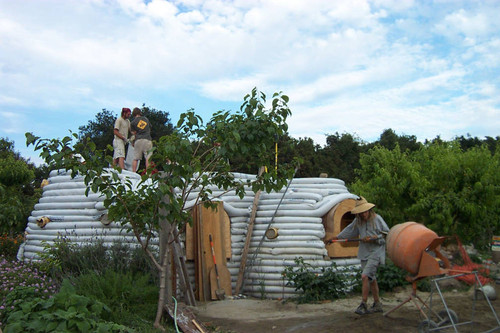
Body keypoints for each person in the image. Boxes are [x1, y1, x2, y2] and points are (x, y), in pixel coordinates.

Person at [326, 196, 389, 315]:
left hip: (376, 252)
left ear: (369, 210)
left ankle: (363, 304)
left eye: (365, 211)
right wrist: (336, 238)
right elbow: (350, 230)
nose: (364, 214)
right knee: (372, 278)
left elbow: (386, 234)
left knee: (365, 276)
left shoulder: (377, 219)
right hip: (364, 252)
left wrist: (374, 238)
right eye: (361, 212)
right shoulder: (358, 222)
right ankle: (377, 304)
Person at [130, 107, 152, 172]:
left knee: (135, 158)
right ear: (140, 113)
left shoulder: (133, 122)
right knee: (148, 157)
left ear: (134, 114)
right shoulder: (146, 119)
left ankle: (133, 173)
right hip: (147, 139)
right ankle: (148, 174)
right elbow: (150, 127)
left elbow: (134, 133)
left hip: (138, 140)